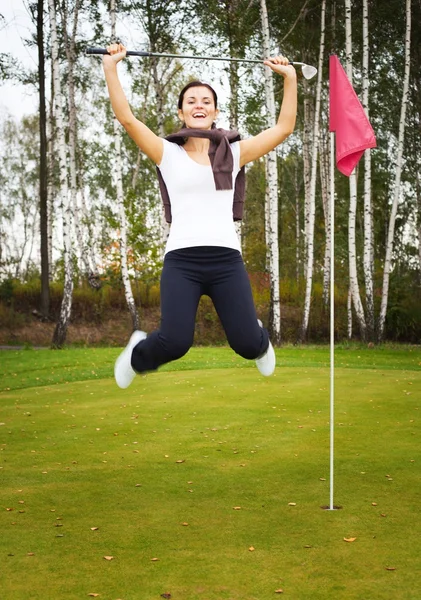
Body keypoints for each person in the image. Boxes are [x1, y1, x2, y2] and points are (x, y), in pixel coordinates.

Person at [102, 43, 297, 389]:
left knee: (248, 345)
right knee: (175, 342)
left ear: (215, 111)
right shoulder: (167, 153)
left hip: (226, 261)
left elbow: (282, 129)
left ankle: (259, 338)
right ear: (181, 112)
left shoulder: (235, 153)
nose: (198, 105)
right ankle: (137, 354)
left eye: (206, 101)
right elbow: (127, 118)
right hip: (182, 262)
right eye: (191, 100)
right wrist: (111, 68)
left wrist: (289, 78)